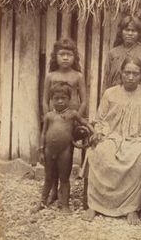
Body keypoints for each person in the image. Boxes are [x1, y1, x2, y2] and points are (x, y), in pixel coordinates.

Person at [82, 58, 141, 224]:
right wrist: (98, 133)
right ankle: (95, 205)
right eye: (127, 72)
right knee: (99, 151)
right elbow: (100, 119)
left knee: (138, 156)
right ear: (121, 73)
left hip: (136, 137)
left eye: (135, 73)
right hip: (111, 135)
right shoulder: (110, 93)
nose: (130, 77)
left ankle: (130, 208)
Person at [33, 82, 94, 213]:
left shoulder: (73, 114)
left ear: (69, 99)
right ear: (51, 100)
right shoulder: (49, 116)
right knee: (48, 177)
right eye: (56, 98)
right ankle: (42, 202)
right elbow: (43, 133)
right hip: (49, 151)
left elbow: (84, 122)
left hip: (65, 152)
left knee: (64, 178)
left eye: (63, 98)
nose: (60, 101)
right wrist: (41, 150)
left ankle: (65, 205)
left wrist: (93, 131)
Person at [42, 38, 87, 205]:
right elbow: (45, 100)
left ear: (75, 57)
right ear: (55, 57)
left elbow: (83, 100)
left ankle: (63, 194)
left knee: (65, 157)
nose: (66, 58)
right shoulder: (50, 76)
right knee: (51, 158)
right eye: (62, 54)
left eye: (69, 54)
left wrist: (76, 119)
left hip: (71, 123)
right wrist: (51, 118)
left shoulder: (78, 76)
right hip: (54, 123)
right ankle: (53, 191)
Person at [102, 15, 141, 92]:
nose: (130, 33)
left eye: (133, 31)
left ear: (139, 34)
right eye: (127, 30)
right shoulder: (113, 53)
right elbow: (106, 80)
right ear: (121, 32)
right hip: (116, 96)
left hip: (139, 96)